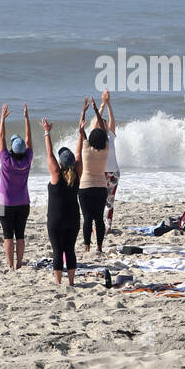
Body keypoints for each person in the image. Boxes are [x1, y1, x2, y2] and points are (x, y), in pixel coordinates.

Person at [42, 116, 83, 285]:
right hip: (73, 218)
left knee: (58, 251)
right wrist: (81, 133)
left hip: (56, 220)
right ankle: (71, 282)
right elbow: (79, 153)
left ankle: (58, 283)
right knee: (70, 250)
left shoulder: (56, 175)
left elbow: (49, 154)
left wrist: (47, 132)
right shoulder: (77, 174)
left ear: (60, 162)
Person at [0, 102, 33, 270]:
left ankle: (11, 264)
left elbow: (1, 138)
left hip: (5, 202)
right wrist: (26, 117)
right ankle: (18, 264)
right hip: (23, 203)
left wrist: (2, 119)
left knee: (7, 235)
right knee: (20, 235)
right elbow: (28, 138)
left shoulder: (6, 160)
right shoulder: (27, 160)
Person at [78, 97, 111, 254]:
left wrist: (83, 112)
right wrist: (96, 110)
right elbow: (104, 132)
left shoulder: (86, 149)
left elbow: (81, 129)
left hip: (85, 187)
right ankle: (99, 247)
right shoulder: (105, 150)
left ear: (90, 139)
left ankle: (87, 246)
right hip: (101, 187)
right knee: (99, 218)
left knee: (87, 218)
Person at [99, 89, 121, 229]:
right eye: (102, 122)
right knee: (100, 201)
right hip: (101, 174)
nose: (105, 123)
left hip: (113, 173)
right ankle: (99, 225)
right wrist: (101, 105)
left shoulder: (110, 136)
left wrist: (109, 104)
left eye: (105, 122)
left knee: (110, 201)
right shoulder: (96, 137)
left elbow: (112, 119)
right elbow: (96, 120)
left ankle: (108, 226)